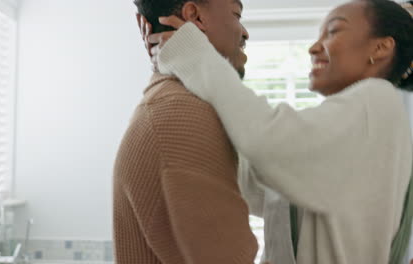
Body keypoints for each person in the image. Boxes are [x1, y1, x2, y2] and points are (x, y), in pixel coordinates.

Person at [141, 0, 413, 263]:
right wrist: (179, 67)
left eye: (333, 31)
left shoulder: (377, 100)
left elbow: (265, 141)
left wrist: (192, 54)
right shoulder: (350, 128)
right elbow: (261, 185)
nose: (314, 47)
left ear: (381, 48)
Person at [112, 0, 259, 263]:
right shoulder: (182, 111)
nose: (245, 32)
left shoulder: (168, 102)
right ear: (195, 16)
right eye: (237, 15)